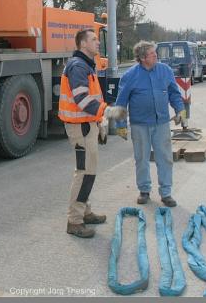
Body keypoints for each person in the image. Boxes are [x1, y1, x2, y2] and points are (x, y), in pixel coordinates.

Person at [59, 29, 126, 238]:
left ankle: (84, 212)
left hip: (86, 125)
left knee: (88, 171)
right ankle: (75, 221)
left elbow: (89, 99)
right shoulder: (79, 67)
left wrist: (100, 121)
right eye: (94, 39)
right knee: (84, 172)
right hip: (81, 127)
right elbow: (83, 100)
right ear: (82, 44)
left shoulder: (85, 65)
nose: (98, 42)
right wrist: (107, 111)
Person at [114, 41, 185, 207]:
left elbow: (174, 93)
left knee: (165, 158)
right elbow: (121, 102)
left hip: (161, 123)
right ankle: (144, 190)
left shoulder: (165, 71)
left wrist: (180, 109)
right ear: (143, 58)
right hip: (140, 125)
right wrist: (121, 124)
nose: (156, 56)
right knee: (141, 159)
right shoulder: (130, 75)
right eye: (153, 54)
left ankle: (166, 193)